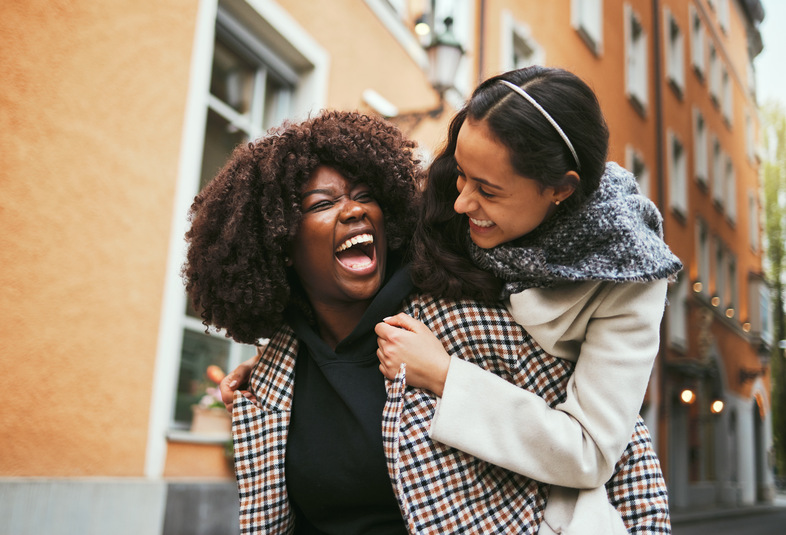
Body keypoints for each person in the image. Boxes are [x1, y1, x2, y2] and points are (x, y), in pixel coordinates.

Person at [197, 110, 669, 534]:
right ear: (279, 242)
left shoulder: (462, 321)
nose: (354, 210)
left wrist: (447, 376)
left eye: (366, 196)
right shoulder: (274, 377)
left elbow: (623, 453)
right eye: (323, 204)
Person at [375, 65, 682, 533]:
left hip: (540, 508)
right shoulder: (452, 201)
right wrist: (286, 360)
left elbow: (590, 450)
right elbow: (367, 293)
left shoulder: (630, 274)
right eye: (462, 174)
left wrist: (446, 377)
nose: (461, 203)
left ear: (560, 189)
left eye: (488, 191)